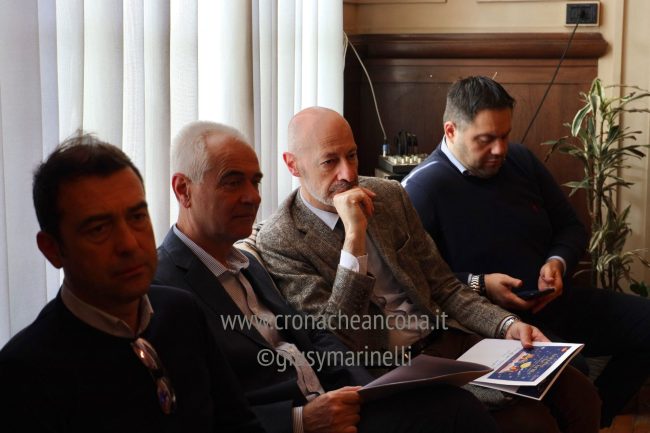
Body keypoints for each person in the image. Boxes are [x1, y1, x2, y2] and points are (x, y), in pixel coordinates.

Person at [256, 106, 602, 433]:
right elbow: (337, 337)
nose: (348, 174)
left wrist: (506, 325)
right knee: (531, 422)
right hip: (391, 370)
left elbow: (444, 286)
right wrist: (354, 238)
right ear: (293, 165)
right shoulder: (281, 238)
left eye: (352, 155)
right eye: (330, 161)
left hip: (446, 340)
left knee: (577, 390)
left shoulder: (389, 195)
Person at [154, 120, 501, 433]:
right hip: (308, 415)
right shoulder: (164, 288)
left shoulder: (243, 263)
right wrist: (300, 420)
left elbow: (316, 338)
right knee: (458, 410)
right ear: (183, 190)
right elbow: (195, 415)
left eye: (255, 181)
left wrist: (368, 393)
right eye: (232, 182)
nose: (252, 197)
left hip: (355, 389)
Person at [401, 75, 650, 427]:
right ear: (451, 131)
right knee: (572, 372)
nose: (500, 149)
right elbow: (415, 282)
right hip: (489, 324)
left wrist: (556, 262)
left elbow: (571, 227)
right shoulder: (420, 189)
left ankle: (595, 420)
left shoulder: (520, 160)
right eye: (486, 139)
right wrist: (481, 284)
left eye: (505, 135)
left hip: (553, 301)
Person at [0, 134, 263, 433]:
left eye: (137, 217)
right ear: (52, 249)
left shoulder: (181, 313)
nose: (128, 244)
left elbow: (239, 424)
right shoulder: (25, 373)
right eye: (99, 229)